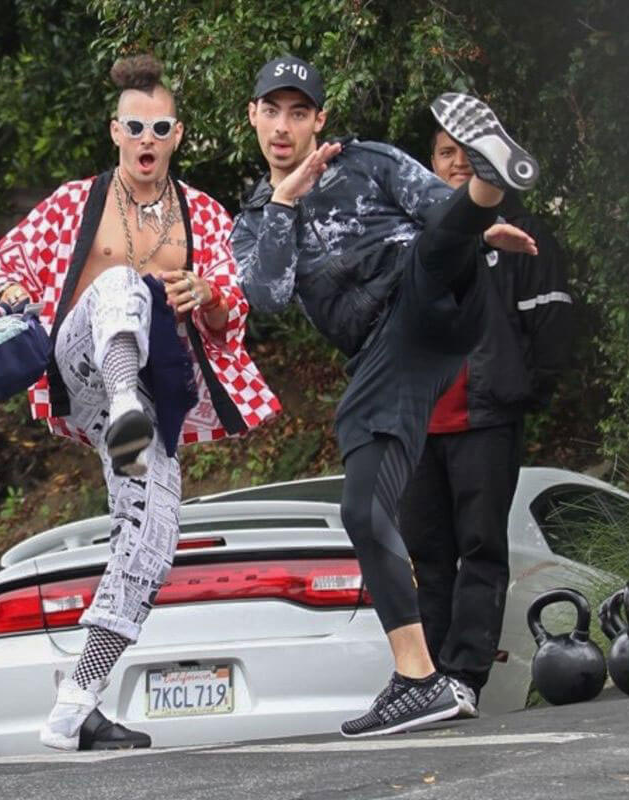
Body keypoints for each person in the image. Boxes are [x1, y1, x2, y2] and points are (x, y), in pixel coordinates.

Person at [0, 54, 278, 751]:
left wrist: (211, 298)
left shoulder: (203, 214)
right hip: (86, 372)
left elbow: (234, 318)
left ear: (177, 135)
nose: (146, 139)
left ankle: (75, 703)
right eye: (134, 126)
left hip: (154, 396)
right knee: (123, 286)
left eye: (159, 127)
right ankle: (123, 393)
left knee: (153, 538)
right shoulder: (76, 203)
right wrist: (12, 295)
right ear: (116, 131)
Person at [232, 56, 541, 737]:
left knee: (430, 251)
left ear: (319, 120)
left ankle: (491, 178)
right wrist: (285, 201)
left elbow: (435, 208)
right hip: (386, 354)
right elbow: (268, 294)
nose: (284, 127)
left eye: (298, 113)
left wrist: (476, 221)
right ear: (253, 117)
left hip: (430, 299)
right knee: (363, 507)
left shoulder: (367, 162)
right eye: (272, 112)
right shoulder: (254, 219)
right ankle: (419, 679)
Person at [395, 126, 573, 716]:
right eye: (444, 152)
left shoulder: (521, 233)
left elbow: (550, 330)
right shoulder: (410, 236)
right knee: (426, 555)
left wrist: (517, 393)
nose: (455, 163)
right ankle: (427, 682)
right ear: (431, 163)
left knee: (481, 548)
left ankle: (463, 677)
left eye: (467, 153)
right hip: (416, 424)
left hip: (486, 418)